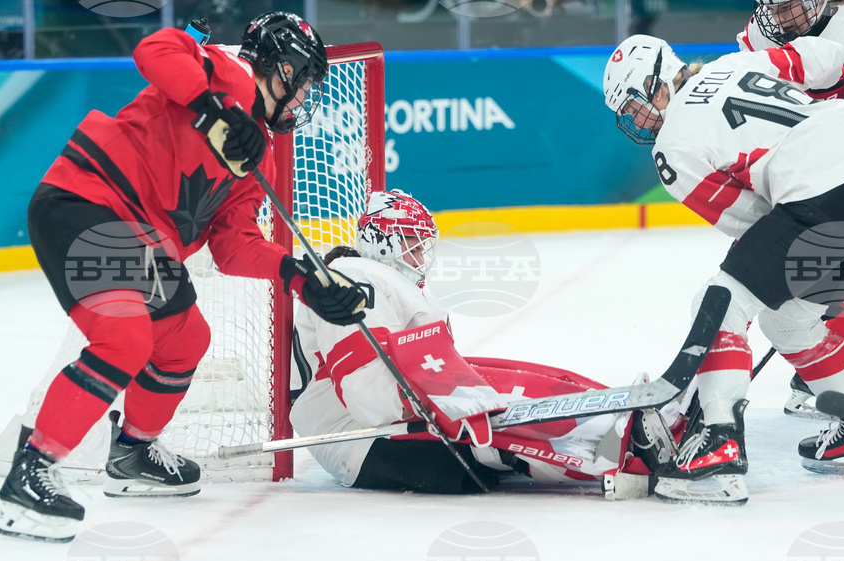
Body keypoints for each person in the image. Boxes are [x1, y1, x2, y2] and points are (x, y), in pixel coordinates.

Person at [0, 11, 368, 543]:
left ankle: (134, 453)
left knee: (186, 337)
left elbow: (233, 245)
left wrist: (300, 275)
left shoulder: (257, 156)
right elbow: (157, 49)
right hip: (87, 200)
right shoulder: (224, 74)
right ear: (279, 69)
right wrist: (212, 108)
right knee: (123, 338)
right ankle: (30, 475)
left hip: (139, 238)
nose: (304, 99)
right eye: (303, 83)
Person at [603, 33, 844, 503]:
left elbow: (748, 218)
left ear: (658, 84)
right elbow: (822, 66)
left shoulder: (672, 145)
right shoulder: (733, 61)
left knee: (720, 302)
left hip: (821, 195)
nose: (637, 120)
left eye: (636, 104)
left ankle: (719, 446)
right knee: (787, 321)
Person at [289, 190, 682, 496]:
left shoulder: (377, 279)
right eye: (410, 242)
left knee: (513, 380)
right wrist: (442, 402)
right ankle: (621, 448)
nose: (419, 254)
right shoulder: (353, 273)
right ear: (382, 242)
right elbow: (364, 385)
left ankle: (624, 414)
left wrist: (450, 394)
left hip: (389, 421)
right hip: (362, 440)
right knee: (495, 420)